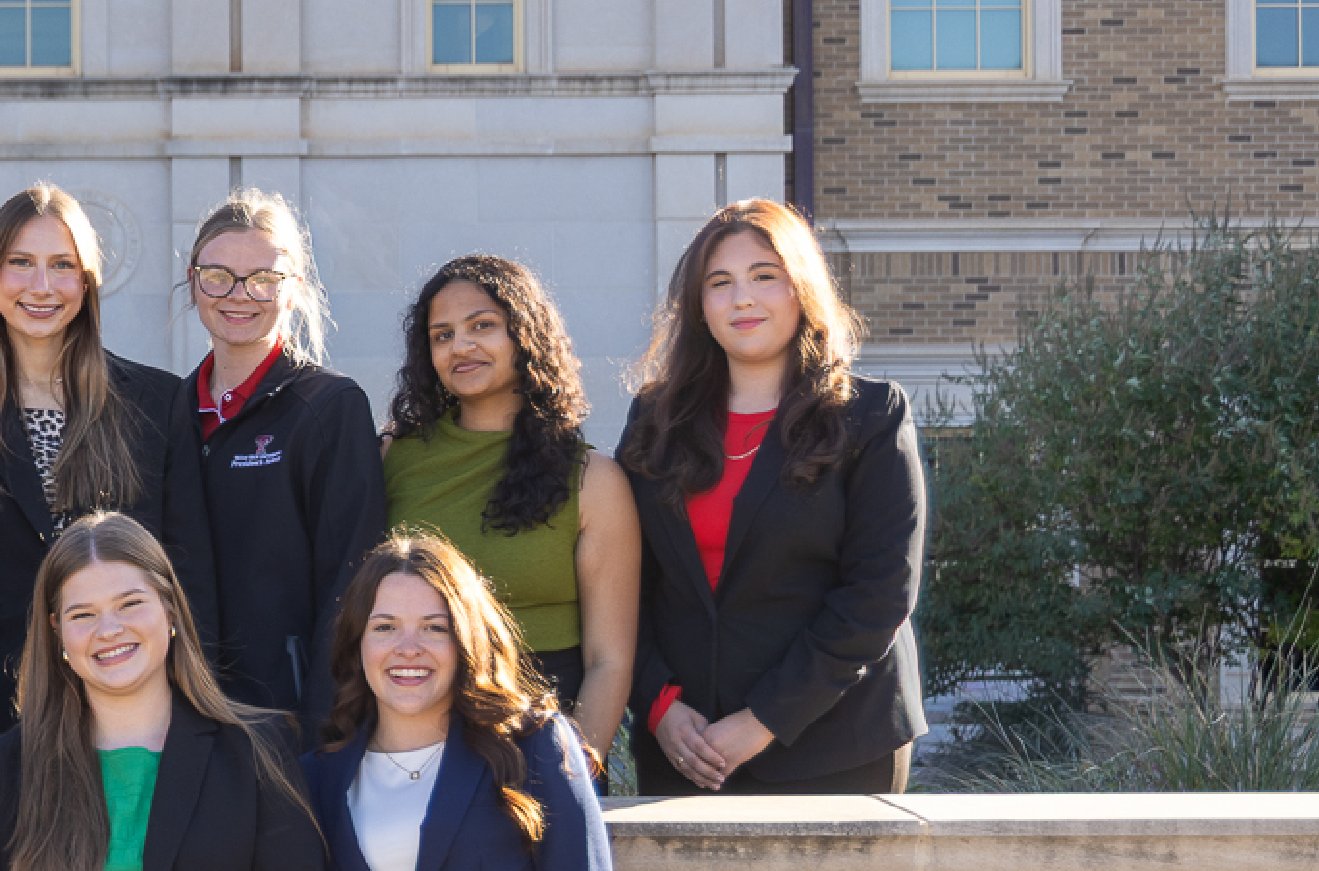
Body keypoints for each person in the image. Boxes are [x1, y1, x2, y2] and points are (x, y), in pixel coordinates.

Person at [0, 512, 329, 871]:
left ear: (170, 610)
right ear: (57, 633)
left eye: (130, 604)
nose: (108, 628)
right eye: (82, 614)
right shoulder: (7, 767)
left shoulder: (258, 750)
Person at [617, 199, 927, 795]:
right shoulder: (656, 420)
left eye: (765, 276)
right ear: (699, 307)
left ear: (801, 288)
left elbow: (878, 594)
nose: (742, 299)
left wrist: (762, 721)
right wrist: (659, 705)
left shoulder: (869, 416)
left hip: (834, 746)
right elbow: (627, 583)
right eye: (719, 283)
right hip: (688, 748)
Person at [0, 183, 207, 795]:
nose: (41, 285)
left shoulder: (156, 403)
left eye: (62, 265)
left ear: (88, 283)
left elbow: (189, 574)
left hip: (138, 722)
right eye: (21, 262)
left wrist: (198, 718)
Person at [304, 533, 618, 871]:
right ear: (357, 644)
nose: (408, 647)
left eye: (435, 627)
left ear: (465, 641)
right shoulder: (320, 779)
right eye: (385, 627)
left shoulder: (533, 745)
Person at [380, 254, 641, 764]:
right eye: (442, 334)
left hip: (541, 732)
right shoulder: (391, 459)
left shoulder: (593, 481)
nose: (461, 346)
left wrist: (573, 772)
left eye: (483, 326)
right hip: (412, 728)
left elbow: (609, 660)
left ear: (525, 336)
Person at [178, 188, 386, 730]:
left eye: (264, 278)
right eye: (218, 275)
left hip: (288, 720)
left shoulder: (329, 408)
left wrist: (324, 730)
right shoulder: (166, 411)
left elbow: (352, 581)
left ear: (293, 290)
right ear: (193, 279)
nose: (239, 295)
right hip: (181, 719)